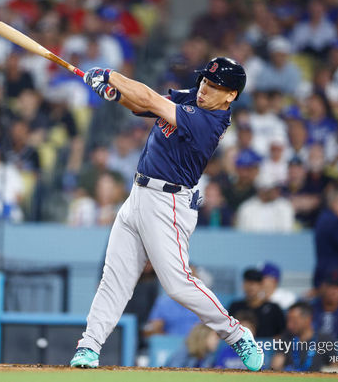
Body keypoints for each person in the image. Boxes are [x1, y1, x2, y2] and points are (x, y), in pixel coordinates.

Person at [70, 58, 264, 371]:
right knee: (114, 279)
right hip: (138, 194)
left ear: (230, 96)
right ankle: (89, 346)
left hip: (168, 203)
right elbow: (144, 105)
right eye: (205, 81)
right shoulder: (193, 97)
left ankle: (236, 333)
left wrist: (109, 75)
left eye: (215, 87)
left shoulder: (209, 122)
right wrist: (113, 94)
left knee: (177, 284)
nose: (204, 89)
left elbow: (148, 98)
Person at [271, 301, 338, 372]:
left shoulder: (325, 339)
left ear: (308, 319)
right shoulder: (286, 338)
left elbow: (335, 366)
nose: (289, 325)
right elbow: (276, 365)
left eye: (294, 321)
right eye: (288, 321)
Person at [228, 268, 286, 338]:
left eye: (254, 283)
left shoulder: (273, 309)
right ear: (243, 285)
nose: (250, 287)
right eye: (247, 283)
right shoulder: (235, 307)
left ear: (261, 285)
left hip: (266, 347)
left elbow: (283, 333)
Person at [311, 270, 338, 339]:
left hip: (337, 347)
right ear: (323, 287)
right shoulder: (312, 308)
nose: (334, 291)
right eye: (330, 286)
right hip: (312, 346)